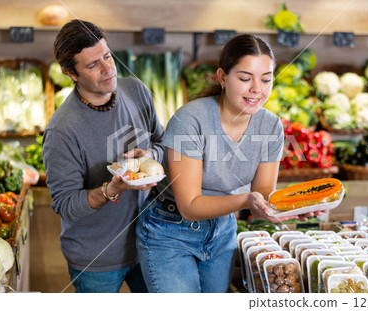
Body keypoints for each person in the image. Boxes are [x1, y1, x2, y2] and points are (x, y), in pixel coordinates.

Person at [136, 34, 319, 293]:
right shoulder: (190, 120)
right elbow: (189, 206)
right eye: (245, 78)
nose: (257, 89)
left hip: (223, 231)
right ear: (222, 77)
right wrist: (246, 200)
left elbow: (263, 200)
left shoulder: (271, 126)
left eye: (266, 79)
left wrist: (293, 208)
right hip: (169, 231)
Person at [42, 20, 164, 293]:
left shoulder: (137, 91)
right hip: (95, 258)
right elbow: (65, 204)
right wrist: (111, 188)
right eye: (93, 65)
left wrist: (151, 156)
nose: (108, 68)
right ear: (71, 73)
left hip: (148, 243)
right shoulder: (62, 131)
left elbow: (161, 141)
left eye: (107, 56)